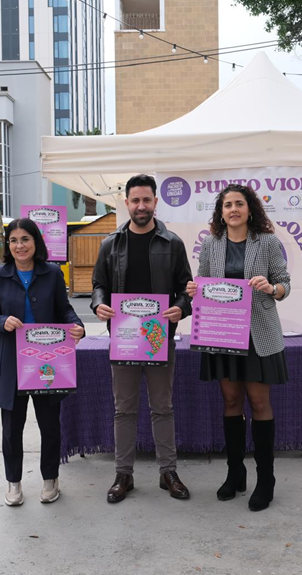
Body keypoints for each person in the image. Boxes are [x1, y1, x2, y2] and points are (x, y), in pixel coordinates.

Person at [186, 184, 290, 512]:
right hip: (222, 334)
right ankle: (235, 472)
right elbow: (202, 283)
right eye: (227, 204)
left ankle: (266, 478)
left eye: (239, 204)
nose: (233, 209)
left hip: (257, 334)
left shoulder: (269, 242)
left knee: (259, 403)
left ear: (250, 209)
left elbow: (285, 283)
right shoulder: (211, 245)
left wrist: (272, 288)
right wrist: (193, 289)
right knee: (231, 400)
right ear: (220, 211)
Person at [92, 174, 194, 503]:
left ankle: (168, 472)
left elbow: (186, 289)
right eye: (135, 200)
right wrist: (98, 305)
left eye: (146, 200)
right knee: (124, 410)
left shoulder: (172, 243)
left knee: (162, 408)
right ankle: (124, 475)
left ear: (155, 202)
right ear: (127, 204)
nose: (141, 206)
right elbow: (98, 285)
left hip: (158, 339)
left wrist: (181, 307)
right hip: (123, 339)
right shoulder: (111, 244)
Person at [0, 218, 85, 507]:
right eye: (13, 240)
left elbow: (65, 310)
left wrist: (78, 327)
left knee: (50, 425)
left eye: (25, 239)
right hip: (11, 364)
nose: (19, 245)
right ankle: (13, 483)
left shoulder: (51, 273)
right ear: (8, 245)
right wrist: (3, 322)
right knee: (12, 428)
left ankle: (50, 479)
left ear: (36, 242)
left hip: (46, 363)